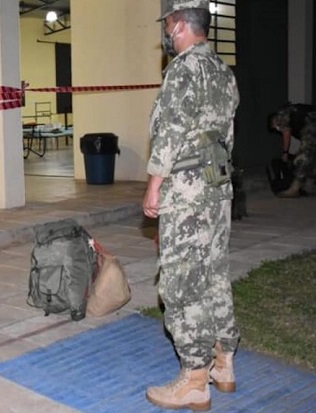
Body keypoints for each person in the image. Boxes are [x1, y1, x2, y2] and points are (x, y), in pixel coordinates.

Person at [142, 1, 240, 410]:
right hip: (217, 186)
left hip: (186, 189)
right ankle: (224, 362)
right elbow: (226, 135)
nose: (166, 33)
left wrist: (154, 184)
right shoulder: (222, 70)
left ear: (180, 25)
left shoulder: (184, 69)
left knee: (181, 281)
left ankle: (195, 379)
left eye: (168, 25)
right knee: (213, 272)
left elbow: (170, 131)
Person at [268, 103, 316, 197]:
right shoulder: (292, 112)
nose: (277, 129)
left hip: (312, 126)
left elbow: (286, 133)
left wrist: (285, 153)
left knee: (303, 158)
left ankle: (295, 189)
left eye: (275, 127)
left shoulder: (280, 116)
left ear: (273, 121)